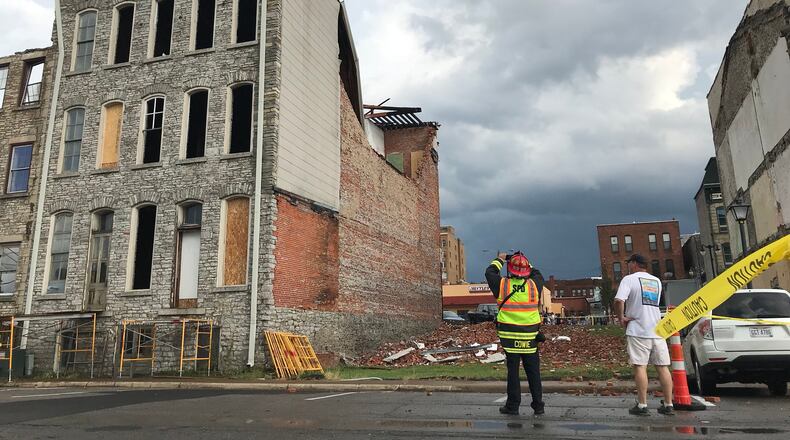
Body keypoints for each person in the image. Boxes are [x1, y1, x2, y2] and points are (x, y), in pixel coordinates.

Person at [613, 254, 675, 416]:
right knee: (663, 367)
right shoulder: (656, 281)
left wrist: (621, 318)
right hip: (657, 329)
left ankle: (642, 405)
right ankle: (668, 404)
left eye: (629, 263)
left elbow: (619, 300)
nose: (627, 266)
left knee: (640, 366)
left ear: (634, 264)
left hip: (638, 329)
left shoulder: (629, 279)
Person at [485, 251, 546, 416]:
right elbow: (536, 273)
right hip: (530, 337)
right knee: (533, 372)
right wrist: (523, 260)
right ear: (526, 270)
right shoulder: (535, 285)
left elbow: (490, 272)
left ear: (510, 269)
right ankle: (538, 405)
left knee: (513, 373)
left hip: (510, 337)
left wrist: (501, 259)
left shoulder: (502, 285)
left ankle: (513, 406)